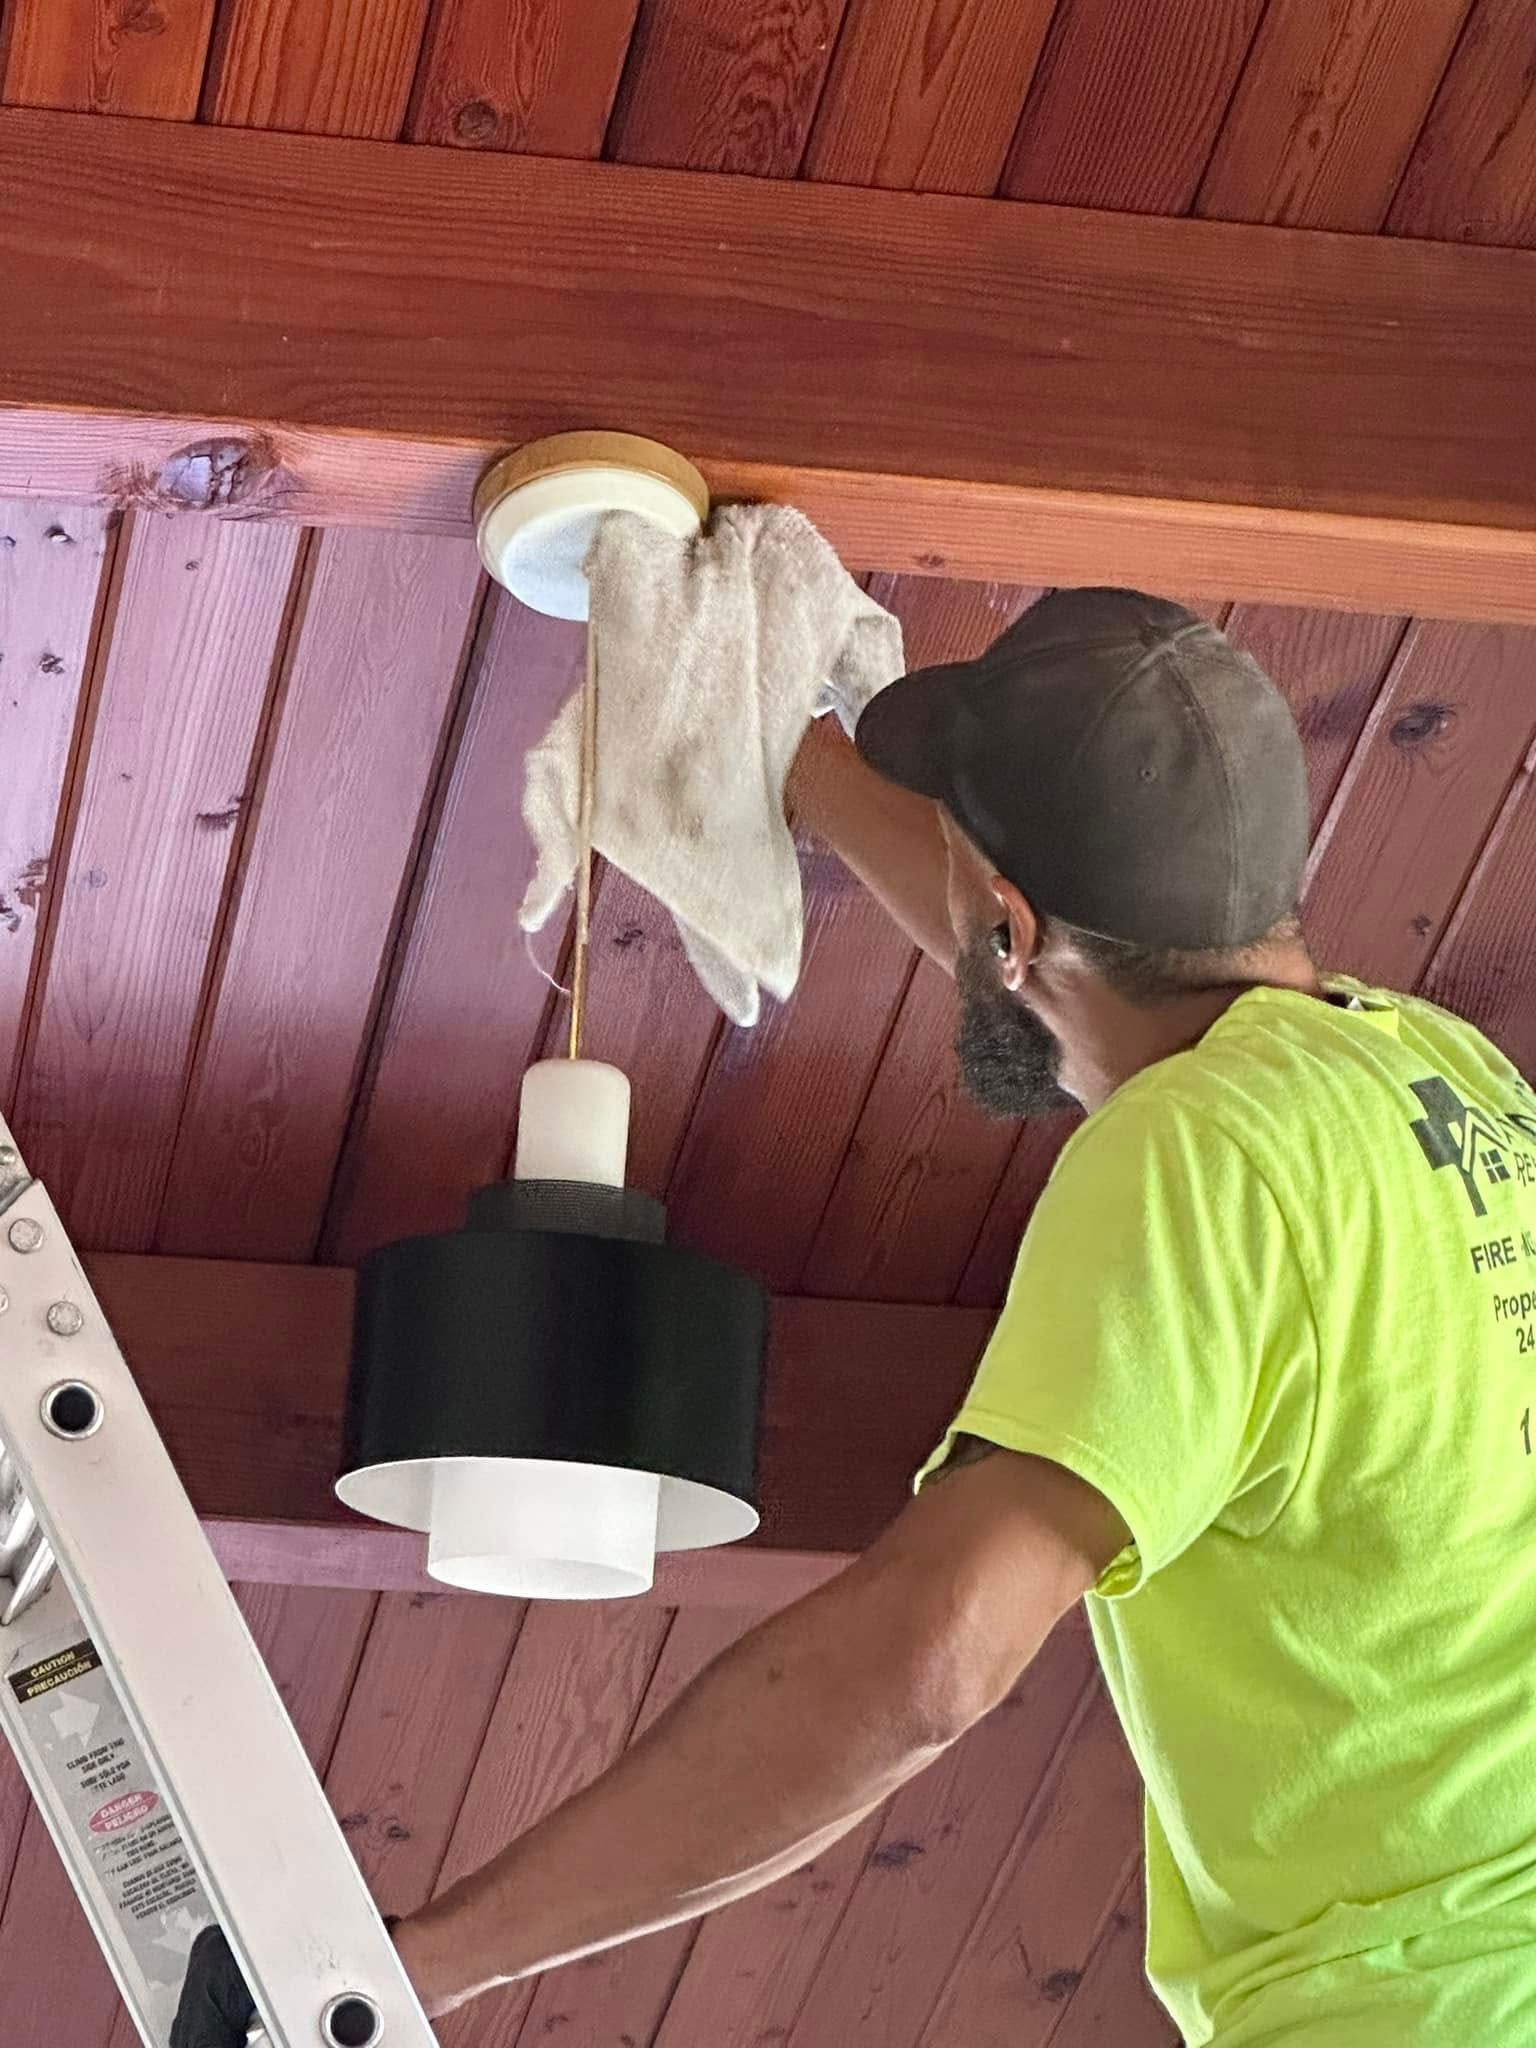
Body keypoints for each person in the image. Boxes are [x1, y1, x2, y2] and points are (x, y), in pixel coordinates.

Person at [176, 589, 1536, 2046]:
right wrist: (793, 760)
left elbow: (928, 1661)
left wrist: (416, 1972)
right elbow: (1048, 979)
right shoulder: (1429, 1070)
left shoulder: (1191, 1157)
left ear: (1007, 918)